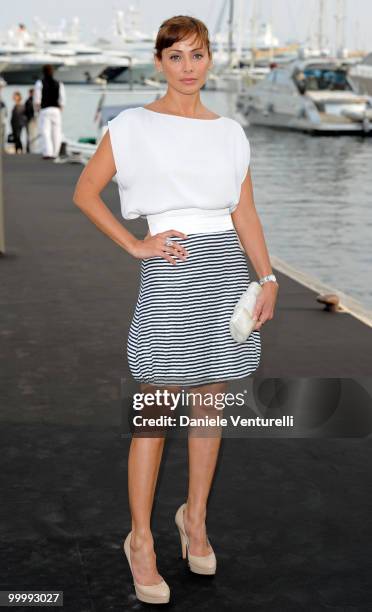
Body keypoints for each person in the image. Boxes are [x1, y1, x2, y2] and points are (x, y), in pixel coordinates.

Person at [73, 15, 279, 605]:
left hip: (227, 276)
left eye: (198, 55)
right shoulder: (132, 125)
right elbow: (86, 191)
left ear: (210, 59)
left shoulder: (231, 133)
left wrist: (266, 277)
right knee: (156, 415)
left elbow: (245, 214)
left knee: (209, 410)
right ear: (160, 62)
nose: (189, 67)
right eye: (177, 56)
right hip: (170, 272)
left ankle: (196, 521)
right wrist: (137, 243)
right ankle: (140, 539)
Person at [33, 64, 66, 159]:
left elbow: (37, 100)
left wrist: (37, 110)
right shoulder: (59, 83)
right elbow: (62, 99)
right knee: (57, 132)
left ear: (43, 72)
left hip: (45, 109)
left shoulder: (40, 83)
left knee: (45, 131)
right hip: (56, 110)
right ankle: (56, 152)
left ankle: (48, 152)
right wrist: (60, 109)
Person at [24, 88, 38, 153]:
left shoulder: (32, 101)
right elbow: (27, 111)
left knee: (32, 135)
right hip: (30, 120)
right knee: (30, 135)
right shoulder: (29, 101)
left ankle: (32, 149)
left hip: (33, 120)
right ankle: (30, 149)